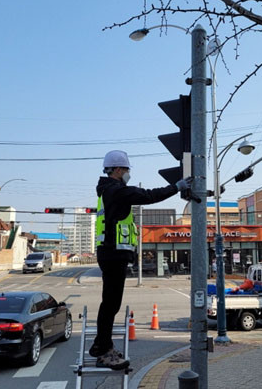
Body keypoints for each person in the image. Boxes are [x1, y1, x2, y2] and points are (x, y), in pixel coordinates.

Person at [91, 150, 192, 370]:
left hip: (109, 253)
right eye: (127, 169)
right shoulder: (116, 191)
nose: (128, 173)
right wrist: (176, 187)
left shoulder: (106, 191)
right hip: (113, 254)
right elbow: (149, 195)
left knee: (110, 303)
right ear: (118, 170)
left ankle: (101, 345)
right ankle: (103, 350)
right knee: (110, 304)